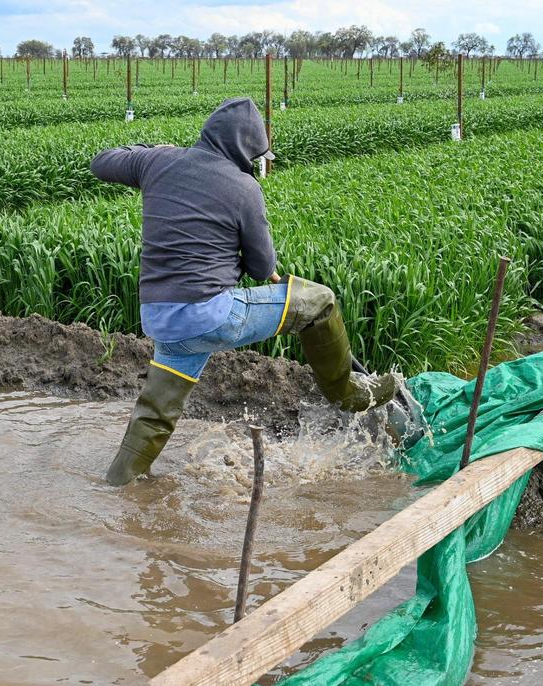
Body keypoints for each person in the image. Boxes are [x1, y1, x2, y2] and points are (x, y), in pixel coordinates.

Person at [91, 97, 398, 486]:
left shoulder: (156, 163)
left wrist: (154, 152)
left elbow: (102, 161)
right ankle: (349, 393)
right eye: (255, 154)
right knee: (319, 302)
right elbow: (260, 268)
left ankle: (118, 485)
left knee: (155, 413)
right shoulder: (243, 187)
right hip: (210, 313)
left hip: (160, 320)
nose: (254, 161)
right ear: (241, 148)